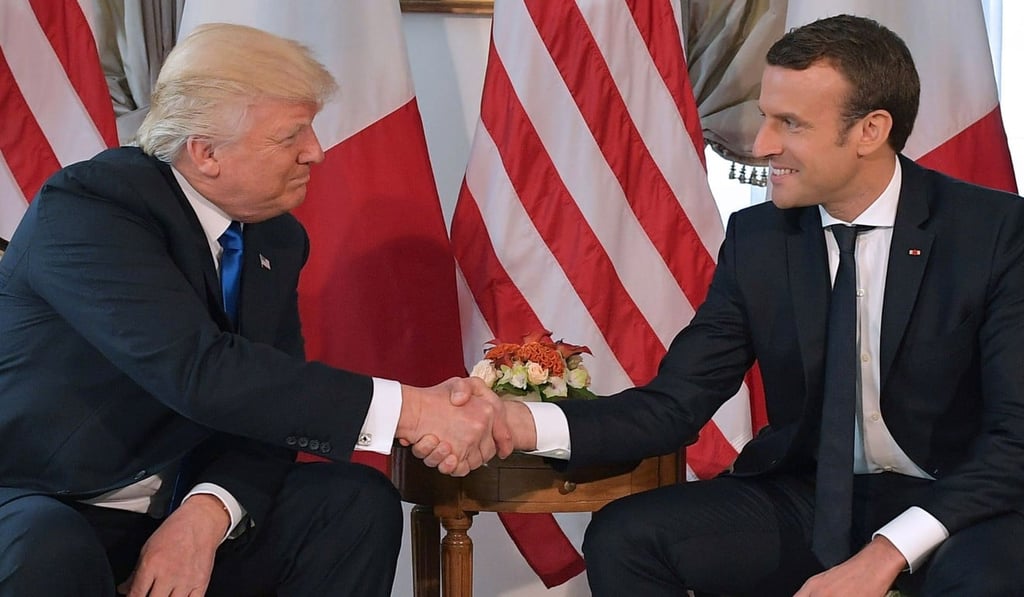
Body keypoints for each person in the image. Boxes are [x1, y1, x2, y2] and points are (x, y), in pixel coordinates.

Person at [429, 13, 1024, 596]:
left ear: (870, 130)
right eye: (764, 117)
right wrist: (515, 422)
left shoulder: (994, 233)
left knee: (985, 578)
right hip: (814, 492)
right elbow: (674, 404)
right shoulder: (758, 238)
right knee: (628, 537)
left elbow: (1014, 439)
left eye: (789, 124)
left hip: (963, 501)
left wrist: (886, 553)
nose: (763, 145)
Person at [0, 23, 510, 597]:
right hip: (39, 495)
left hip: (171, 501)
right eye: (292, 134)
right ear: (206, 153)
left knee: (352, 502)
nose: (315, 151)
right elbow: (199, 371)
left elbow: (268, 409)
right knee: (48, 545)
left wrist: (205, 515)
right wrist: (412, 411)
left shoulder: (275, 239)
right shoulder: (92, 209)